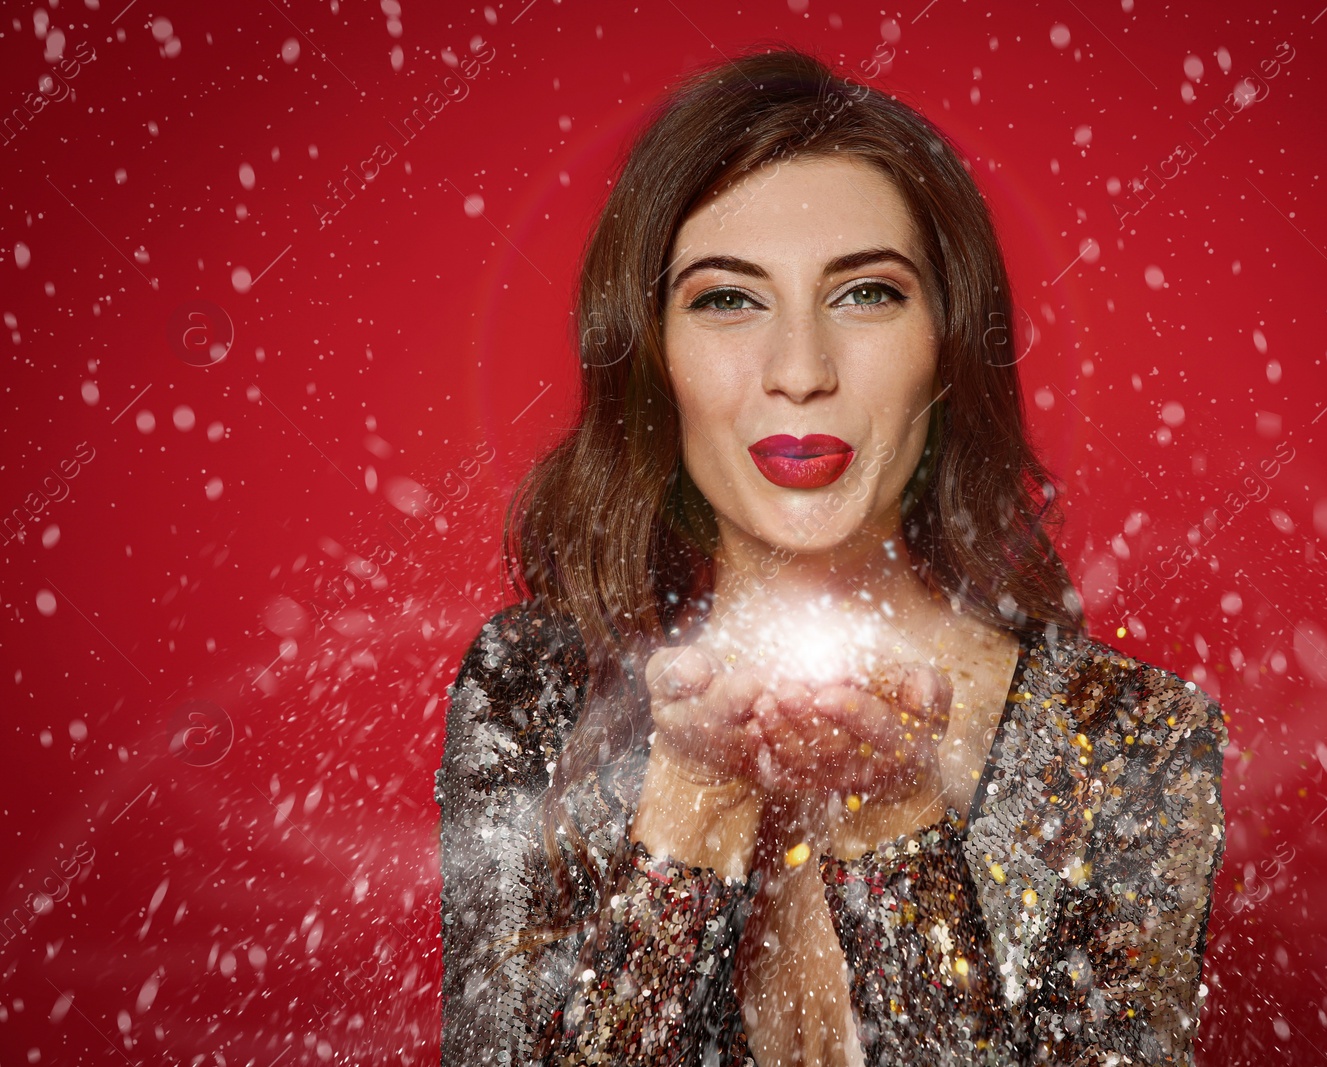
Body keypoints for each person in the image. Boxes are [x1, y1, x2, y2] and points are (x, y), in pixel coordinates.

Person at [436, 45, 1228, 1067]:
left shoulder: (1130, 740)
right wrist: (689, 809)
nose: (800, 371)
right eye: (728, 298)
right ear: (649, 351)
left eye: (866, 294)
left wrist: (897, 829)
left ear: (947, 347)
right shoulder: (533, 689)